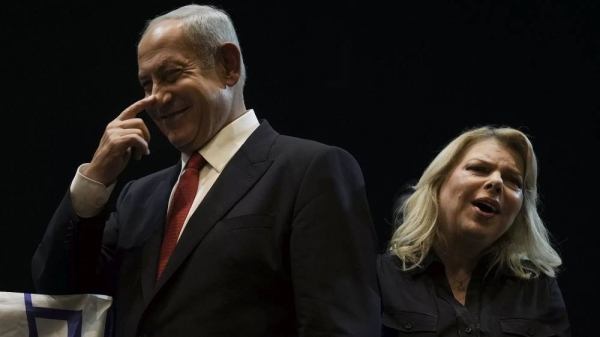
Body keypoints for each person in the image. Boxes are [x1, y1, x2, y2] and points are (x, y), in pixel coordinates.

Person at [31, 4, 381, 337]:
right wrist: (94, 180)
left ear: (228, 66)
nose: (157, 98)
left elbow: (337, 325)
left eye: (171, 75)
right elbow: (59, 290)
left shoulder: (309, 171)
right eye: (146, 83)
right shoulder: (138, 197)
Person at [377, 125, 571, 336]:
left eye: (513, 181)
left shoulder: (537, 287)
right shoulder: (382, 278)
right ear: (439, 182)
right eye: (478, 169)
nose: (496, 182)